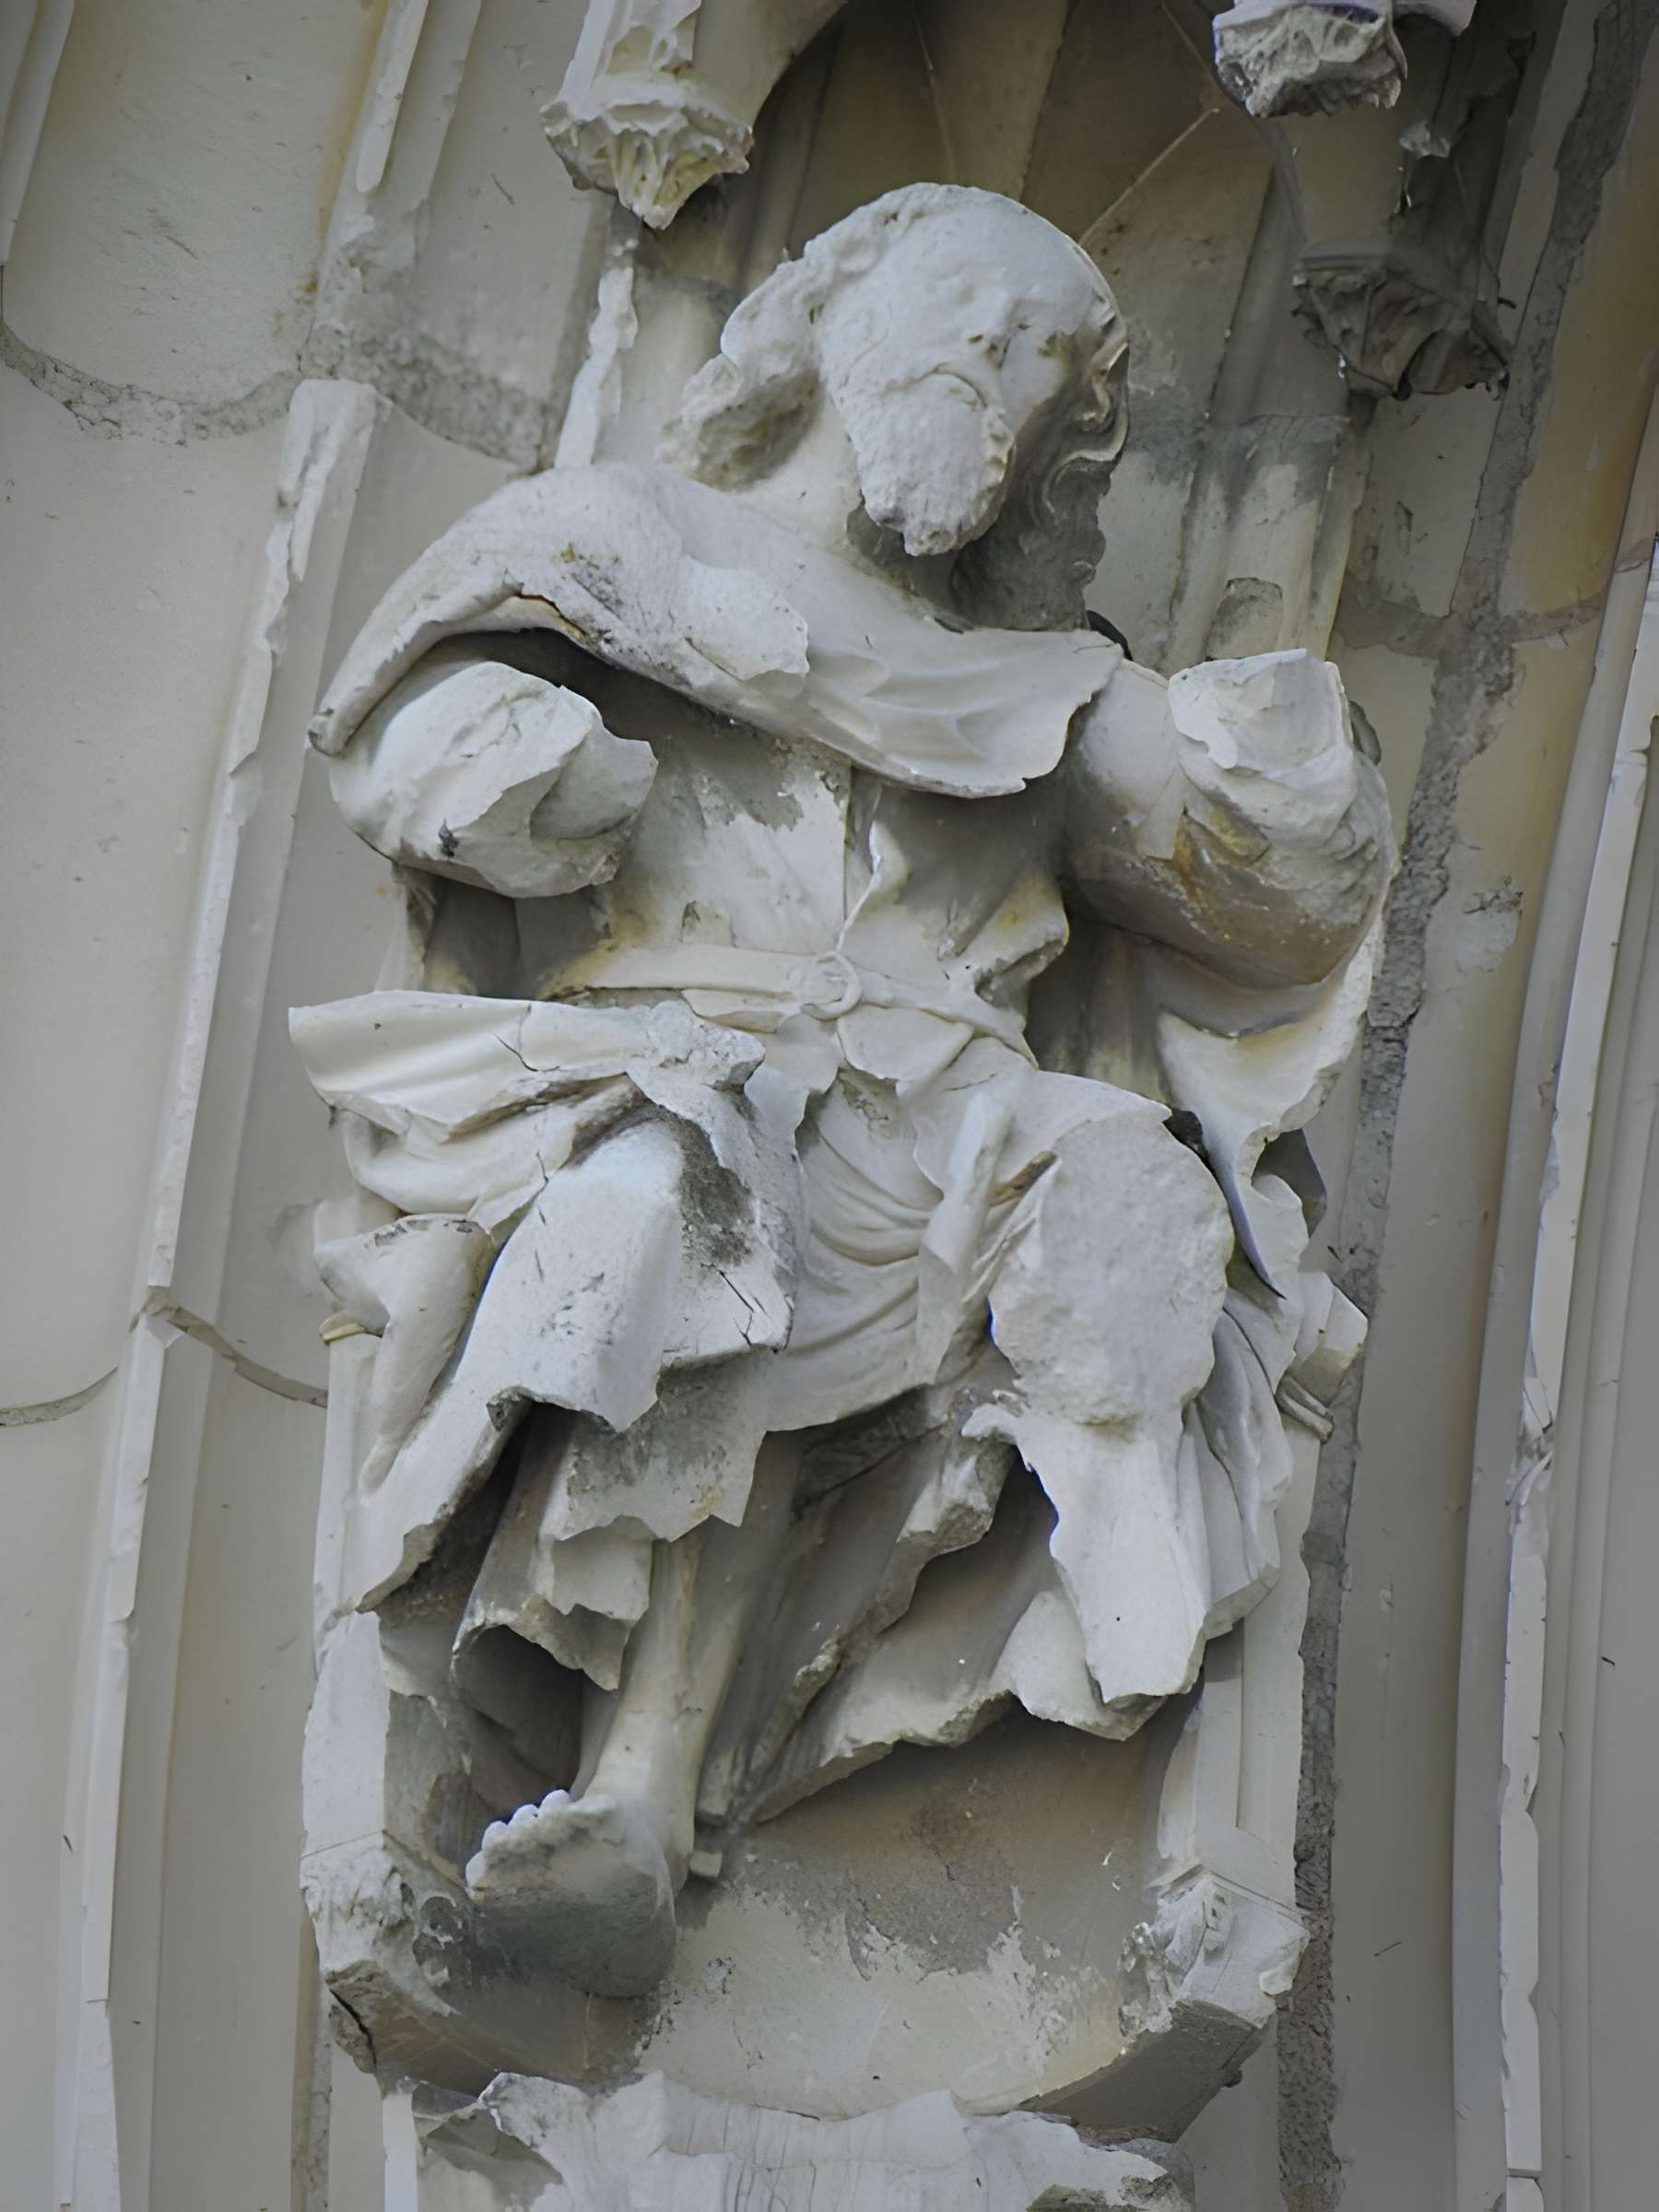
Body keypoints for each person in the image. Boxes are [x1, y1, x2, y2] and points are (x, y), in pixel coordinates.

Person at [293, 184, 1392, 1994]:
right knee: (702, 1183)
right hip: (675, 1060)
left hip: (951, 1121)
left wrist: (1284, 732)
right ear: (834, 318)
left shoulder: (1040, 686)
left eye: (1036, 370)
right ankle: (635, 1796)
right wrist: (500, 772)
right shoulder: (623, 543)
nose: (993, 371)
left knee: (1121, 1176)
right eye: (972, 313)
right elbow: (418, 738)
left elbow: (1259, 887)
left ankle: (1125, 1539)